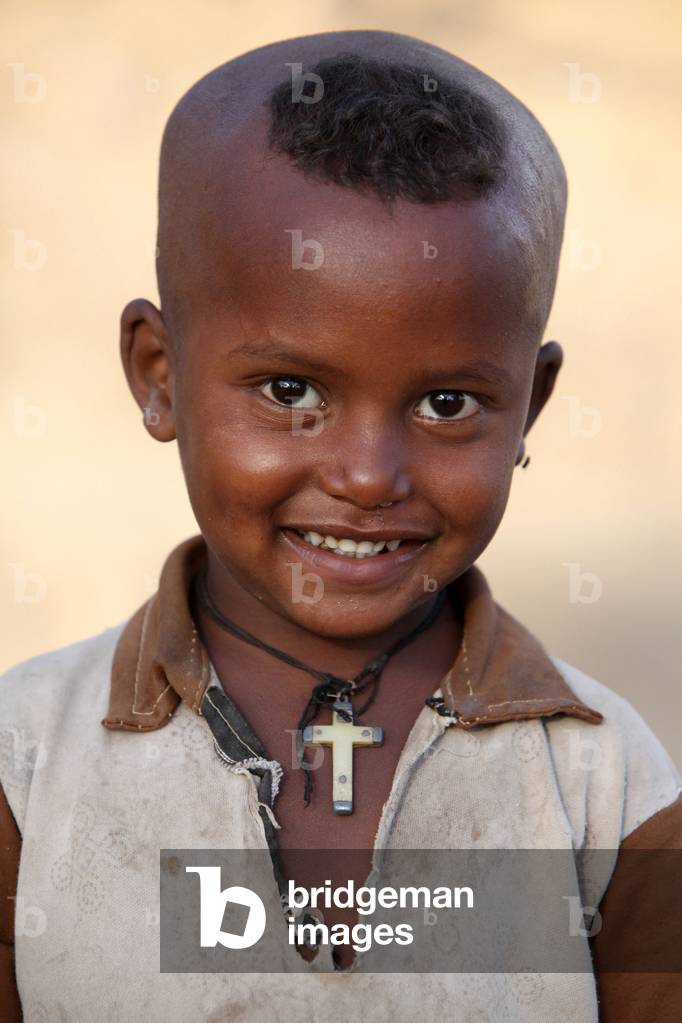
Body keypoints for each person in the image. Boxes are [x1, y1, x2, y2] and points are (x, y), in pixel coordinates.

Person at [0, 29, 679, 1022]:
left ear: (529, 408)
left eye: (446, 404)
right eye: (290, 390)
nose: (368, 477)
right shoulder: (28, 766)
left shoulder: (604, 786)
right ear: (158, 375)